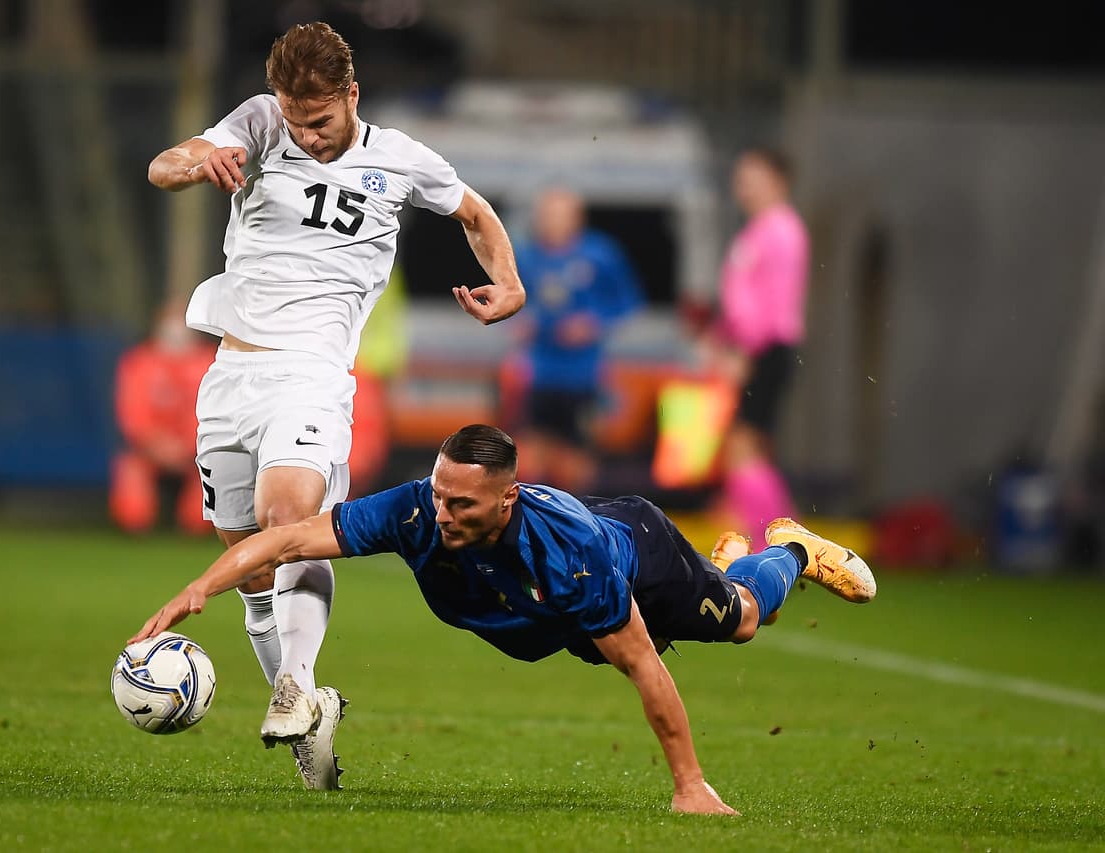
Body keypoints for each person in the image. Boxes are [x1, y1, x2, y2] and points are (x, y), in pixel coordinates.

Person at [145, 22, 525, 789]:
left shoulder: (401, 159)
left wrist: (510, 284)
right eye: (295, 120)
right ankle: (308, 716)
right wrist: (198, 162)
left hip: (312, 373)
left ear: (352, 95)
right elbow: (164, 165)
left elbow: (475, 215)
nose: (307, 136)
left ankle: (294, 684)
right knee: (247, 562)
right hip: (231, 373)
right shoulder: (260, 123)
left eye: (319, 120)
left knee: (289, 519)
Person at [130, 424, 877, 813]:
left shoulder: (571, 558)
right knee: (636, 626)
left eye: (462, 503)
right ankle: (735, 561)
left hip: (638, 555)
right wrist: (199, 587)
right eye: (440, 494)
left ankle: (791, 550)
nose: (443, 513)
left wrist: (689, 784)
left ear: (507, 499)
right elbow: (289, 539)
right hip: (554, 608)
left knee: (741, 618)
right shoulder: (415, 511)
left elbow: (644, 667)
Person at [704, 147, 810, 548]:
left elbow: (775, 303)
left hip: (764, 350)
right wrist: (720, 338)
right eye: (741, 178)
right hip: (753, 349)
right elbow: (741, 299)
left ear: (779, 181)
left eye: (754, 178)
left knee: (743, 449)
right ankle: (781, 542)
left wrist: (745, 351)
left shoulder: (781, 230)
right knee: (748, 450)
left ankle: (784, 544)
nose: (744, 186)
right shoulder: (758, 230)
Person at [509, 186, 643, 494]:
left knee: (578, 454)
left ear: (577, 218)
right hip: (540, 372)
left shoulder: (600, 254)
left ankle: (579, 510)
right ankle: (536, 511)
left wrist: (593, 324)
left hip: (583, 373)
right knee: (533, 448)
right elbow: (511, 302)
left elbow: (627, 302)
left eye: (561, 215)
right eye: (548, 215)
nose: (553, 222)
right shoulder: (526, 256)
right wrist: (518, 321)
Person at [109, 299, 216, 536]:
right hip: (149, 450)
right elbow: (132, 412)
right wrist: (156, 444)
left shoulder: (210, 362)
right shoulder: (138, 361)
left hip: (197, 449)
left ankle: (196, 531)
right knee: (131, 471)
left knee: (217, 467)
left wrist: (188, 446)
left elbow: (213, 412)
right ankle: (136, 530)